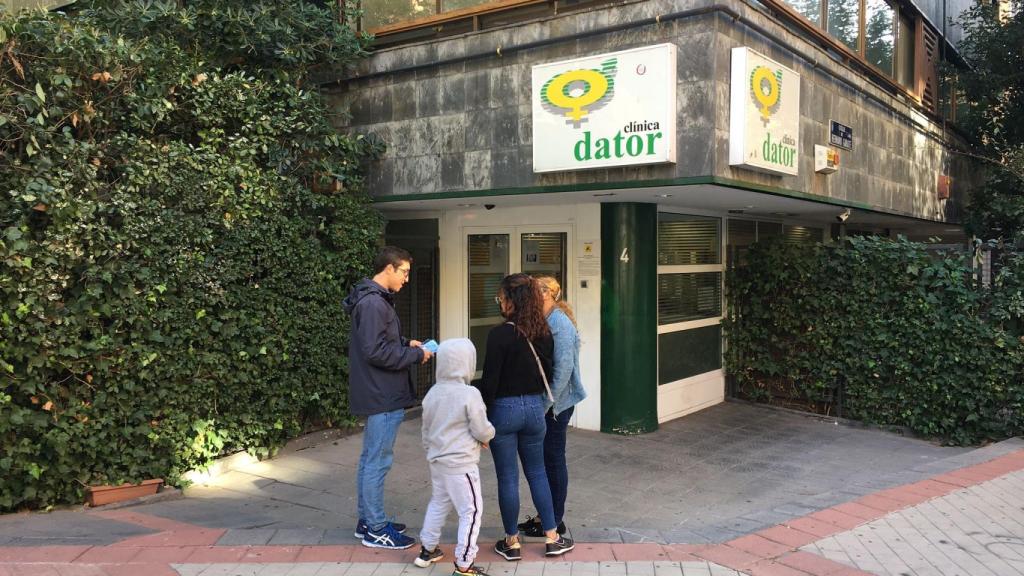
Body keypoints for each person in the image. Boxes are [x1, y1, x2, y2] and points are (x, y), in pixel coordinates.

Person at [476, 273, 575, 561]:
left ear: (511, 300)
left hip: (504, 412)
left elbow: (490, 384)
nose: (500, 302)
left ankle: (512, 542)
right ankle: (553, 537)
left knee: (508, 477)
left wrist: (481, 423)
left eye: (501, 297)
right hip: (535, 410)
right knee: (538, 472)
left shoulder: (499, 335)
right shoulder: (543, 332)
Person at [343, 246, 432, 550]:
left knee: (372, 460)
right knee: (377, 462)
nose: (407, 279)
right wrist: (415, 354)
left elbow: (378, 341)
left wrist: (407, 342)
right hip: (381, 394)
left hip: (380, 391)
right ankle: (376, 529)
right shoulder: (373, 303)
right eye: (405, 272)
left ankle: (368, 520)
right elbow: (375, 351)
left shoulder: (374, 300)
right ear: (389, 269)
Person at [414, 338, 495, 576]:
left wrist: (431, 451)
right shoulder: (470, 394)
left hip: (437, 461)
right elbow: (481, 428)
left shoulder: (432, 393)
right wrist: (488, 436)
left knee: (439, 502)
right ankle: (464, 563)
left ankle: (427, 549)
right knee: (471, 511)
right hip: (462, 464)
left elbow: (426, 430)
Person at [517, 275, 587, 538]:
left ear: (545, 294)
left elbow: (563, 371)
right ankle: (545, 516)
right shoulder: (545, 319)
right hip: (548, 404)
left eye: (533, 292)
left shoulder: (559, 322)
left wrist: (546, 404)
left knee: (553, 460)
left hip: (556, 407)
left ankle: (555, 520)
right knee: (545, 462)